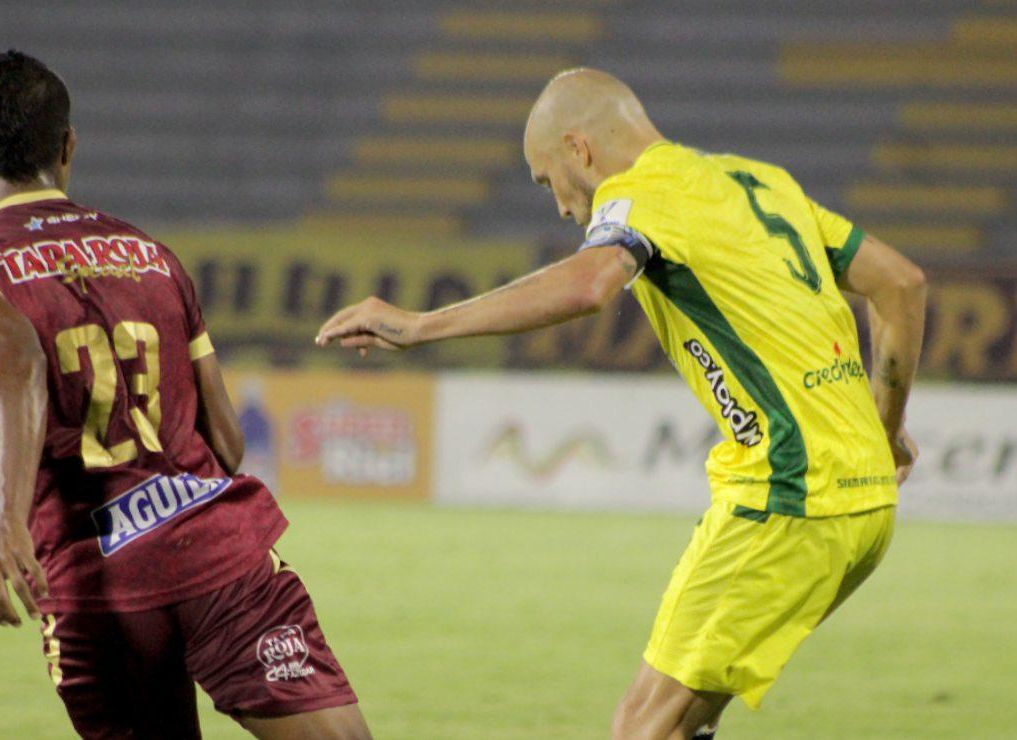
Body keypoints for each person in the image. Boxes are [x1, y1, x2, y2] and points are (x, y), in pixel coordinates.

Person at [316, 67, 926, 739]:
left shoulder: (640, 196)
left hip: (791, 495)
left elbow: (589, 284)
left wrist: (422, 325)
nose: (562, 208)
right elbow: (901, 284)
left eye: (550, 181)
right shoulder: (759, 183)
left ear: (579, 150)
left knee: (644, 728)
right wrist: (883, 429)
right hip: (865, 505)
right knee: (683, 720)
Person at [0, 50, 371, 740]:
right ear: (68, 147)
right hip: (220, 556)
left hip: (97, 586)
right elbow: (228, 444)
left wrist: (4, 520)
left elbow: (12, 351)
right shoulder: (150, 254)